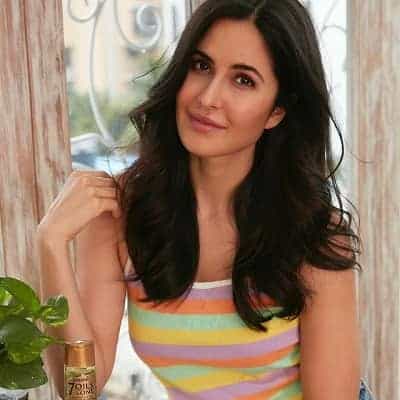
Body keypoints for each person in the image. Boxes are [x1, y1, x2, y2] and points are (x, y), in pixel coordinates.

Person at [37, 0, 376, 399]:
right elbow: (79, 389)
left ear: (277, 111)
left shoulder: (314, 235)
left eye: (243, 80)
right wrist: (51, 243)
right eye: (201, 66)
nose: (209, 97)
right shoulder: (122, 214)